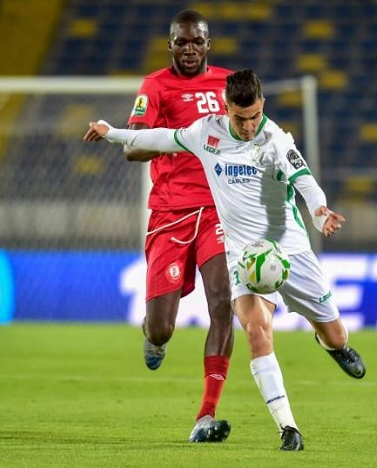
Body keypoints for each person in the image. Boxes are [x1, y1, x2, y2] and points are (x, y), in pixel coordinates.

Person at [84, 69, 366, 451]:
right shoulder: (206, 133)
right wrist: (112, 132)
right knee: (255, 330)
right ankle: (288, 428)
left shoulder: (276, 140)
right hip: (244, 256)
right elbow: (159, 138)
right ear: (226, 107)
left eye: (254, 116)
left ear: (262, 105)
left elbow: (306, 182)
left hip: (290, 251)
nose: (248, 126)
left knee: (336, 334)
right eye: (240, 118)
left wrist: (320, 213)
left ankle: (332, 345)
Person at [117, 9, 235, 443]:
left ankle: (206, 413)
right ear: (170, 45)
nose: (189, 49)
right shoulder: (155, 86)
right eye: (181, 42)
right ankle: (153, 336)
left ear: (208, 45)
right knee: (162, 326)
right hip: (170, 214)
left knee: (223, 304)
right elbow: (132, 147)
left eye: (197, 42)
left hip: (218, 211)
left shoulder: (228, 84)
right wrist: (180, 138)